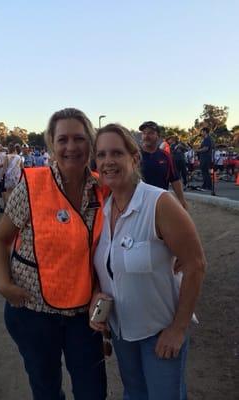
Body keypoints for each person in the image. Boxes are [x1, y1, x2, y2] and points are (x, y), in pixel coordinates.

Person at [0, 108, 107, 400]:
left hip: (83, 314)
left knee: (92, 391)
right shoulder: (31, 186)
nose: (71, 147)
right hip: (34, 314)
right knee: (46, 390)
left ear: (90, 144)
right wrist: (4, 284)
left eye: (79, 138)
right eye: (63, 139)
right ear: (51, 144)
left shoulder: (103, 190)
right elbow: (0, 240)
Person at [90, 123, 206, 400]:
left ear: (135, 158)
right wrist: (96, 294)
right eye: (102, 154)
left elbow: (196, 265)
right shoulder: (102, 210)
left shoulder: (159, 203)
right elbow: (106, 265)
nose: (108, 161)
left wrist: (177, 330)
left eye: (116, 153)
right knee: (135, 395)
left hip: (160, 333)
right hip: (122, 333)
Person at [139, 121, 188, 210]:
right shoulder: (134, 156)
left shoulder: (166, 156)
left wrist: (182, 200)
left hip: (160, 203)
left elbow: (175, 179)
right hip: (139, 204)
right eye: (144, 133)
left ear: (158, 136)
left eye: (150, 133)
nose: (146, 136)